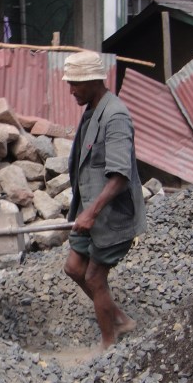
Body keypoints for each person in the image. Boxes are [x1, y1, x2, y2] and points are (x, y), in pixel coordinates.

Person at [62, 50, 146, 350]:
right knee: (74, 267)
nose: (71, 89)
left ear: (94, 81)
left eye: (75, 84)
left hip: (112, 215)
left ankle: (109, 343)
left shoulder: (116, 116)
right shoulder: (92, 108)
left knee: (95, 277)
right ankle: (120, 319)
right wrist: (83, 211)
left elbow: (120, 175)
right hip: (90, 211)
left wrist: (92, 213)